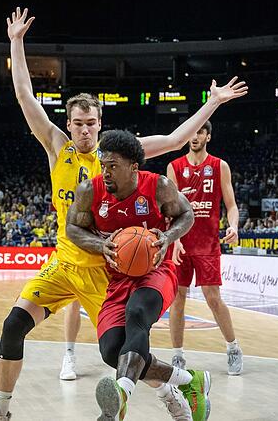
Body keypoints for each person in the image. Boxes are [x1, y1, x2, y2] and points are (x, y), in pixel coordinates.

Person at [0, 7, 247, 421]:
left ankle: (177, 390)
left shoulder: (123, 154)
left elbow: (178, 139)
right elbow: (24, 97)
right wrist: (16, 42)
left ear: (100, 123)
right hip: (64, 263)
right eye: (77, 124)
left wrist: (211, 102)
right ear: (68, 126)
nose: (84, 130)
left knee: (119, 357)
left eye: (91, 123)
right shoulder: (56, 147)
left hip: (109, 272)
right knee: (13, 325)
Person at [66, 130, 208, 421]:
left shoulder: (159, 187)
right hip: (117, 278)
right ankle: (188, 380)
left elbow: (187, 214)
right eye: (103, 164)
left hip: (157, 270)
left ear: (134, 167)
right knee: (111, 351)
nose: (105, 172)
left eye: (113, 166)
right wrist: (99, 244)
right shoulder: (89, 191)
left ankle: (122, 393)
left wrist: (168, 237)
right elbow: (72, 228)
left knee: (138, 313)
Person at [166, 120, 243, 376]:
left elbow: (231, 205)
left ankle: (233, 347)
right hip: (181, 244)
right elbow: (171, 211)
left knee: (213, 299)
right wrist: (174, 238)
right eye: (192, 131)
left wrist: (233, 226)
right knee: (177, 300)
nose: (195, 136)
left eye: (200, 131)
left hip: (208, 243)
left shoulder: (219, 166)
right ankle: (177, 356)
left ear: (208, 136)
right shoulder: (174, 167)